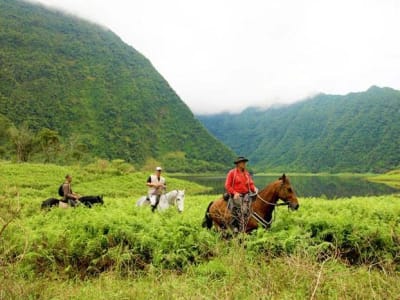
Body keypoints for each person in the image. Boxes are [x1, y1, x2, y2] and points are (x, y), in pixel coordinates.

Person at [224, 156, 257, 232]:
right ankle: (235, 226)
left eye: (244, 162)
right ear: (238, 164)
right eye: (242, 162)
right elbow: (227, 185)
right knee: (236, 208)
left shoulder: (246, 173)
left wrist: (254, 188)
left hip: (246, 194)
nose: (244, 164)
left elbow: (250, 184)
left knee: (253, 205)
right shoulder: (232, 173)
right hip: (235, 195)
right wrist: (235, 193)